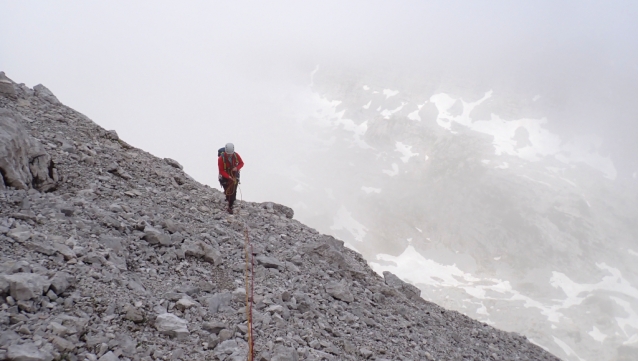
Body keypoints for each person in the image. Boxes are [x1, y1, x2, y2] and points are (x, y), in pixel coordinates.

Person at [218, 143, 244, 214]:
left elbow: (241, 163)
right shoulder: (221, 159)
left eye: (231, 154)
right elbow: (221, 171)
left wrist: (237, 168)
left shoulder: (236, 155)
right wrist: (228, 177)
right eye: (228, 154)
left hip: (234, 175)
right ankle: (228, 198)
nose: (230, 155)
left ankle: (231, 204)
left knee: (233, 189)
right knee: (227, 189)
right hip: (225, 175)